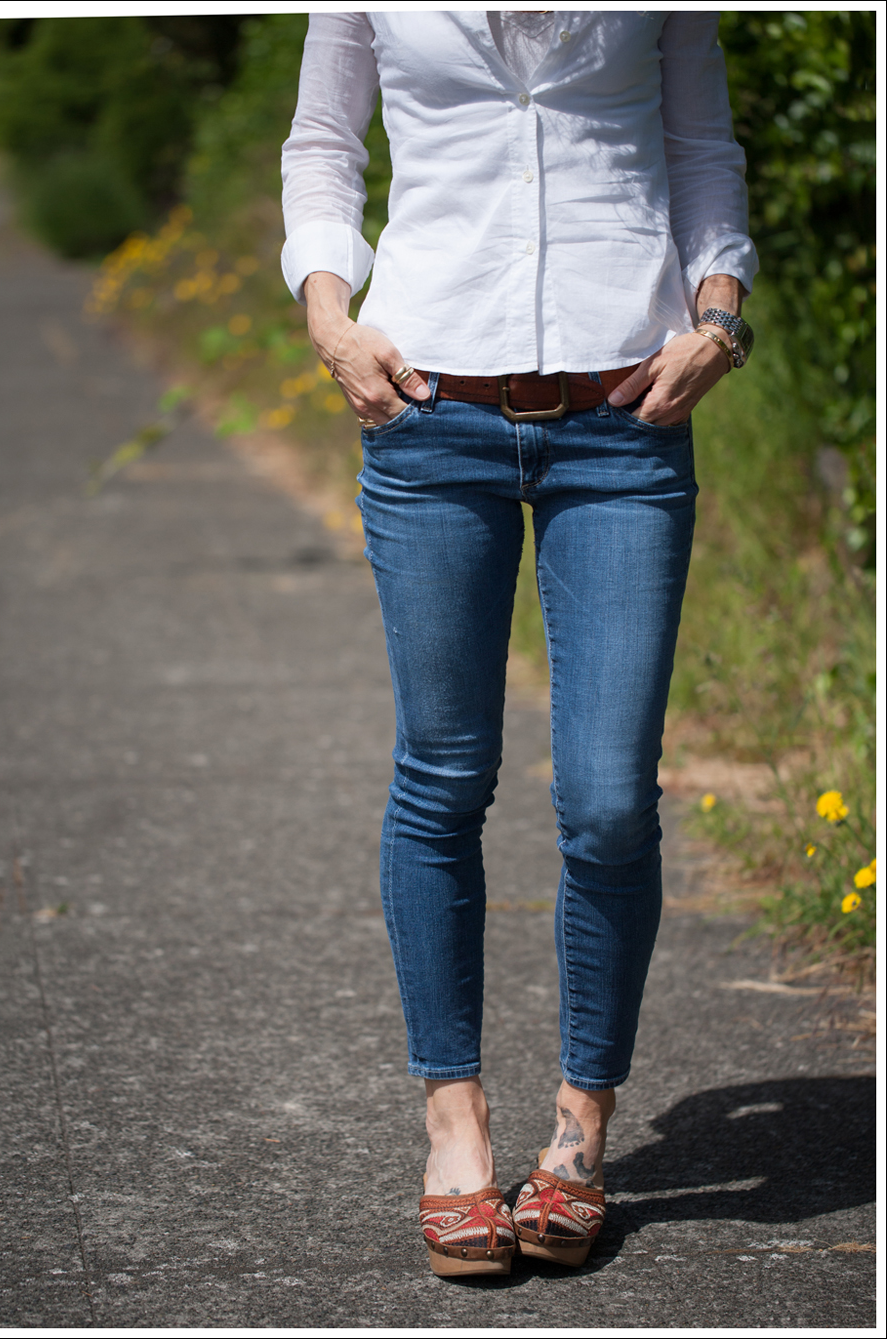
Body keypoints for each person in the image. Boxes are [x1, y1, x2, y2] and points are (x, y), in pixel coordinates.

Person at [281, 10, 757, 1278]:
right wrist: (331, 316)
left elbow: (703, 147)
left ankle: (581, 1133)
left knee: (607, 798)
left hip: (626, 415)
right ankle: (456, 1130)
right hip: (431, 406)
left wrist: (720, 314)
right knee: (443, 772)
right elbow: (324, 145)